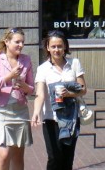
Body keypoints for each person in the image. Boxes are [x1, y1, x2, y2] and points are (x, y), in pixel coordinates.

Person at [31, 30, 87, 170]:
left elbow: (83, 89)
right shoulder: (43, 69)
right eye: (53, 46)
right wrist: (36, 112)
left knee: (67, 159)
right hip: (51, 118)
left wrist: (68, 94)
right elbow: (40, 94)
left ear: (65, 47)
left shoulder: (74, 63)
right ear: (48, 47)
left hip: (70, 118)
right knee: (54, 157)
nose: (57, 50)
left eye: (60, 46)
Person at [0, 28, 34, 170]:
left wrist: (24, 86)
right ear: (7, 41)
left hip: (20, 111)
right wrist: (8, 77)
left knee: (17, 157)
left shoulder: (26, 60)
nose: (21, 45)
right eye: (17, 42)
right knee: (4, 154)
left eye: (22, 42)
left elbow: (31, 89)